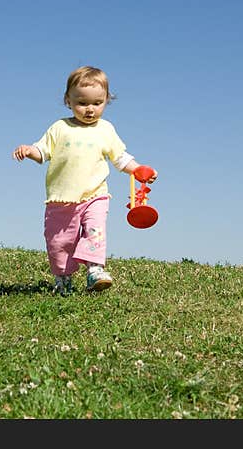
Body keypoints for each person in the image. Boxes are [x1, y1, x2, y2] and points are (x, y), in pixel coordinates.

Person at [12, 66, 158, 295]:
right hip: (61, 199)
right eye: (82, 103)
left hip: (95, 195)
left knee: (95, 230)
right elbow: (43, 151)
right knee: (59, 243)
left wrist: (138, 169)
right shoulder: (60, 128)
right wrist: (29, 150)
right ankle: (63, 279)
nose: (90, 109)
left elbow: (119, 157)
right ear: (68, 100)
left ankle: (95, 270)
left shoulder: (105, 130)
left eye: (97, 103)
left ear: (106, 101)